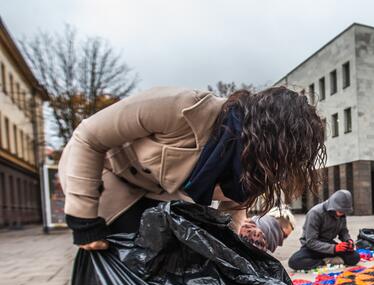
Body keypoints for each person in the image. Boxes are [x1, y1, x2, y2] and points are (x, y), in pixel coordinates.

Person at [58, 86, 326, 249]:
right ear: (266, 135)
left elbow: (234, 208)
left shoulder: (253, 164)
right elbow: (89, 136)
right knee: (129, 261)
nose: (282, 167)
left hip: (163, 195)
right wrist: (84, 222)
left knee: (181, 261)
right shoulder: (181, 106)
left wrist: (232, 249)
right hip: (105, 173)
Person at [288, 190, 359, 270]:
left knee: (355, 257)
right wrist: (334, 248)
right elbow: (311, 242)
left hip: (329, 244)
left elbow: (343, 231)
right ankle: (324, 261)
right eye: (340, 211)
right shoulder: (315, 213)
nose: (342, 214)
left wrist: (348, 240)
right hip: (312, 247)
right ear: (333, 206)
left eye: (344, 212)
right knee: (294, 261)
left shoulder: (341, 214)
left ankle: (325, 260)